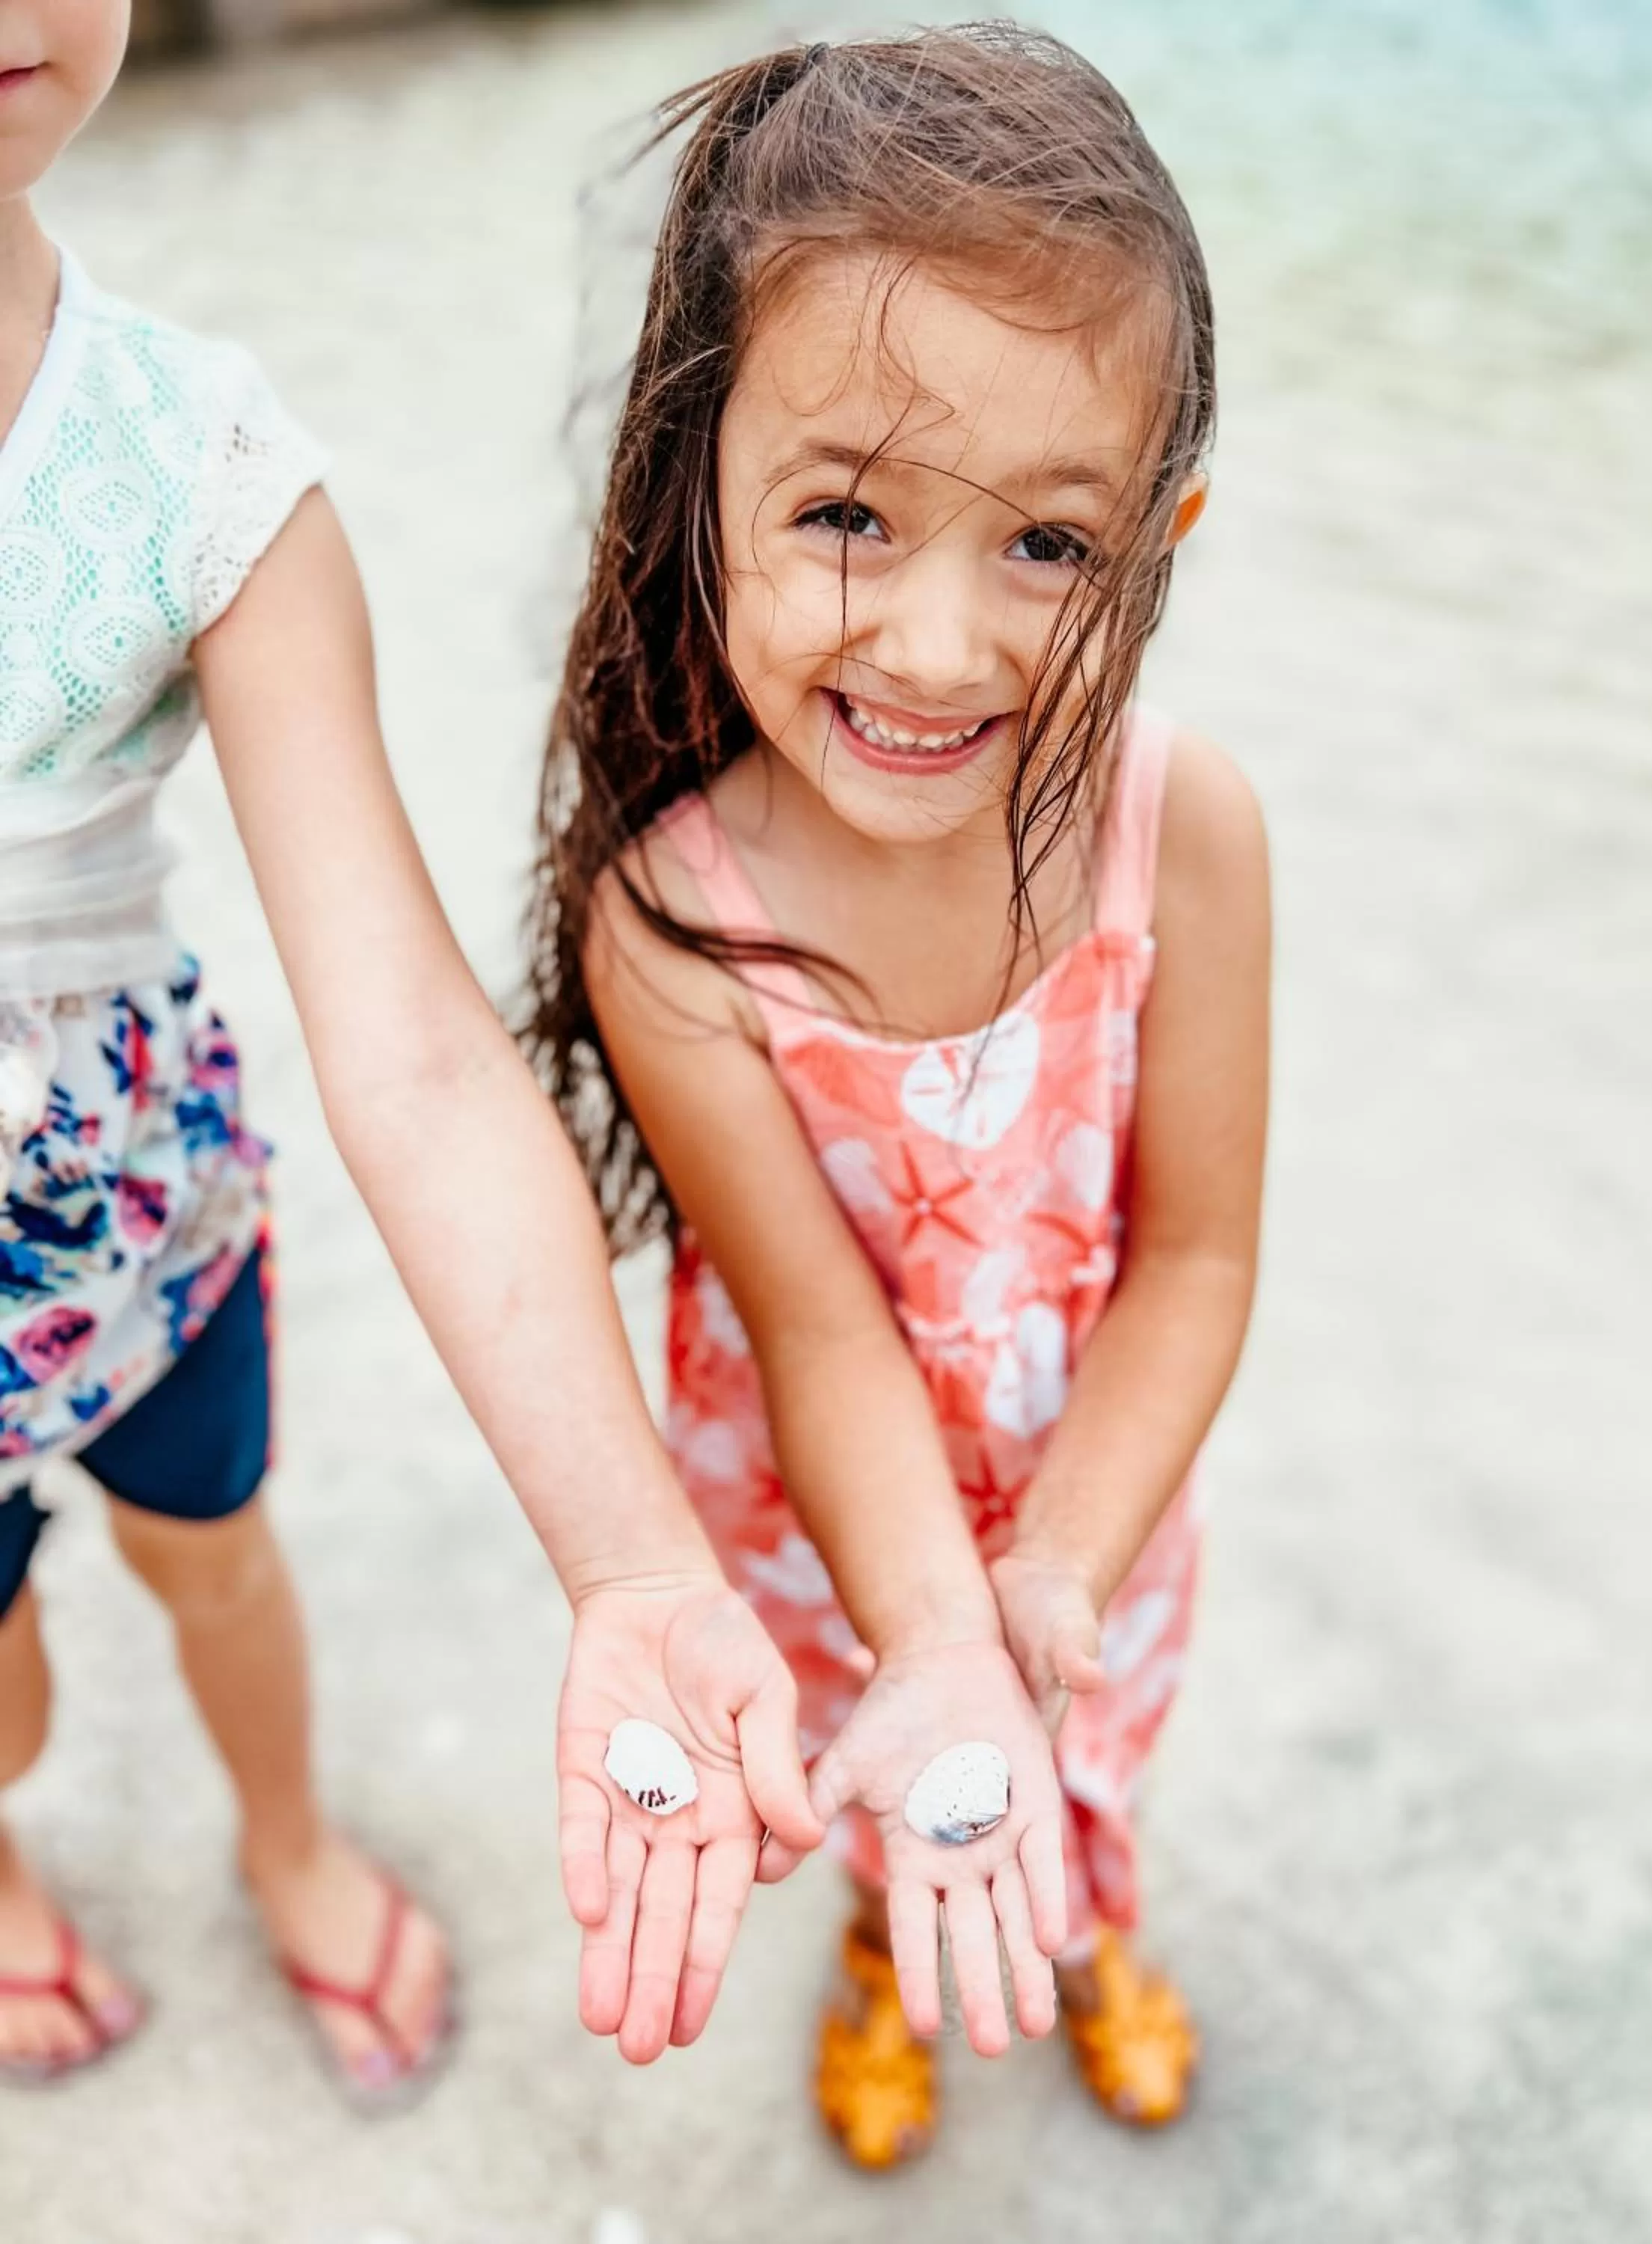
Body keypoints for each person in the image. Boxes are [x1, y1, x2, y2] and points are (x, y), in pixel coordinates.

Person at [0, 0, 818, 2100]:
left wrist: (630, 1555)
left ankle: (287, 1836)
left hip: (124, 1214)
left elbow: (419, 1056)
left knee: (218, 1557)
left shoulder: (195, 468)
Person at [526, 27, 1270, 2165]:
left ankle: (1096, 1928)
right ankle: (886, 1953)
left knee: (1083, 1746)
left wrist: (1050, 1583)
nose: (938, 649)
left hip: (1095, 1491)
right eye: (846, 514)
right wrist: (940, 1628)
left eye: (1049, 545)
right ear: (704, 487)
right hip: (818, 1512)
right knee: (898, 1771)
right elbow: (822, 1330)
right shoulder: (679, 925)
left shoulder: (1183, 837)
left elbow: (1197, 1264)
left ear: (1163, 537)